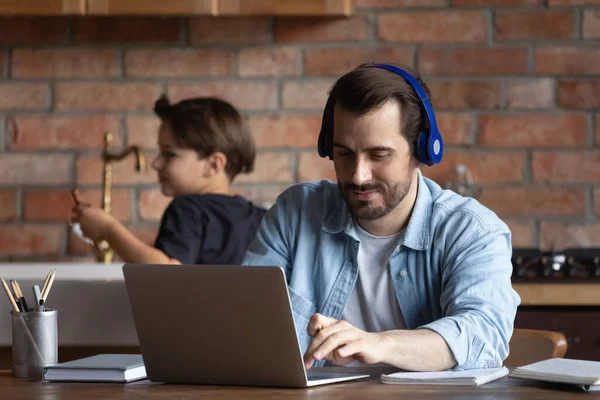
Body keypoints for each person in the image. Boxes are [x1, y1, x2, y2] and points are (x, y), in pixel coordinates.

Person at [242, 63, 520, 371]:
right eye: (345, 154)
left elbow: (482, 334)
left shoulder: (470, 230)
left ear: (422, 151)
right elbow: (247, 322)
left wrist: (377, 343)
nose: (359, 176)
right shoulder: (295, 212)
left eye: (378, 155)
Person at [71, 96, 267, 265]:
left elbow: (167, 272)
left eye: (169, 154)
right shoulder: (261, 218)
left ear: (214, 165)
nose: (156, 163)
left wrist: (108, 229)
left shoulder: (188, 209)